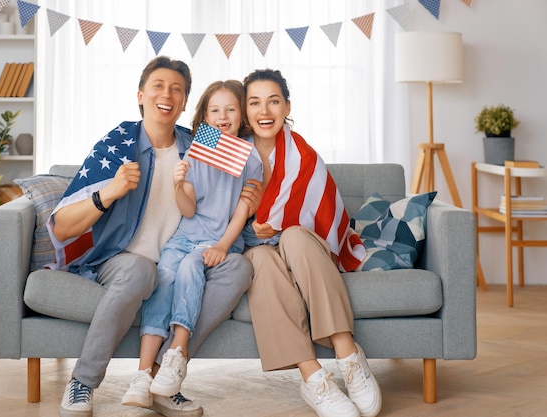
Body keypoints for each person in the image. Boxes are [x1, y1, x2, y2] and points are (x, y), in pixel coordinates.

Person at [48, 57, 262, 417]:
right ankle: (82, 381)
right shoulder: (119, 143)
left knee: (239, 268)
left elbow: (242, 146)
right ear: (141, 96)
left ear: (184, 104)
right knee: (143, 271)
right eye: (159, 86)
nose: (167, 94)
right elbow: (61, 227)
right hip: (127, 258)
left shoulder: (198, 141)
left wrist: (254, 200)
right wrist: (110, 191)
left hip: (189, 251)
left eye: (177, 89)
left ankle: (162, 379)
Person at [241, 69, 382, 417]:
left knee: (292, 235)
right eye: (254, 102)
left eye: (273, 101)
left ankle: (349, 356)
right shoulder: (232, 151)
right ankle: (314, 378)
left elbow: (319, 216)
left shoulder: (302, 154)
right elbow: (214, 207)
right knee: (259, 259)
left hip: (303, 248)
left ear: (287, 105)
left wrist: (278, 224)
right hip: (256, 248)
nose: (264, 111)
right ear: (244, 110)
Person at [122, 80, 262, 411]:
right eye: (215, 110)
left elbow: (243, 209)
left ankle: (176, 353)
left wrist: (223, 246)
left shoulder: (249, 155)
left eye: (231, 109)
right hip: (185, 235)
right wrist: (179, 183)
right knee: (166, 275)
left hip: (216, 240)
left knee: (189, 267)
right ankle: (143, 374)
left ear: (241, 115)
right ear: (204, 116)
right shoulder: (202, 144)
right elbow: (188, 209)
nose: (222, 116)